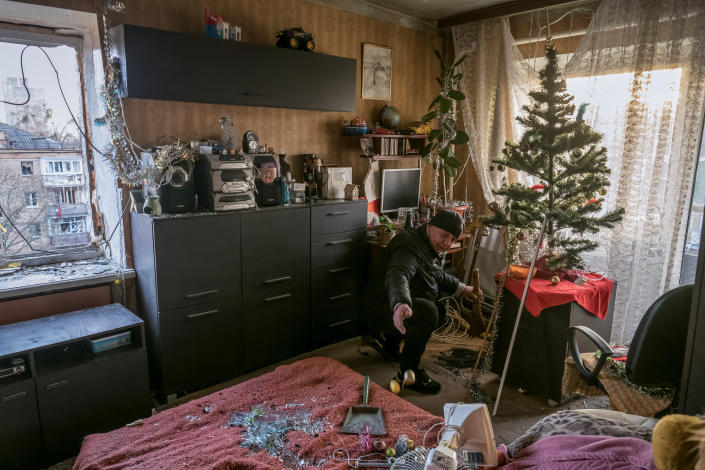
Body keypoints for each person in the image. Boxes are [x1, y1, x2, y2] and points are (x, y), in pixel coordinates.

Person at [362, 210, 480, 394]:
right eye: (444, 236)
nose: (448, 243)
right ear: (430, 226)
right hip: (382, 306)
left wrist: (463, 289)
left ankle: (389, 343)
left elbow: (435, 273)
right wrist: (400, 303)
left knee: (439, 311)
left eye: (452, 239)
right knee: (427, 312)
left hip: (391, 303)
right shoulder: (408, 245)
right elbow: (399, 274)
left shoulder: (428, 243)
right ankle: (409, 373)